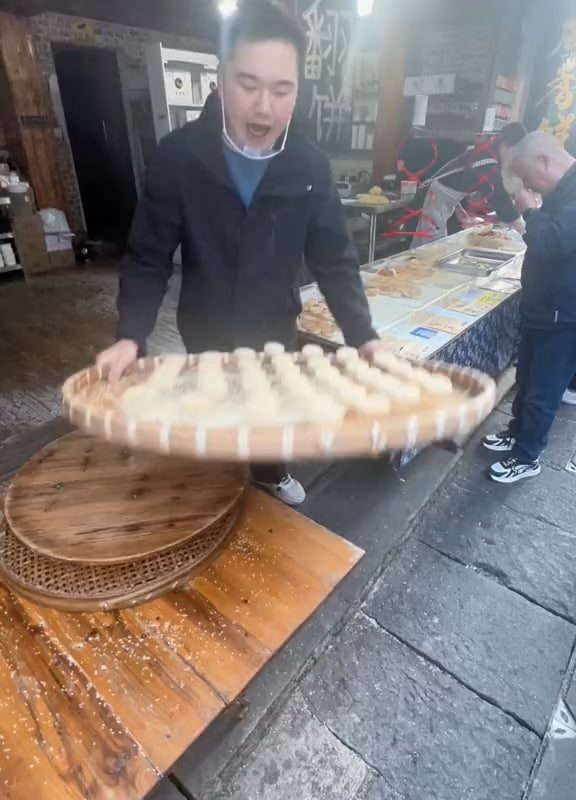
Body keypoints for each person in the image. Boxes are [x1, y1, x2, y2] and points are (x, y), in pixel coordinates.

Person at [96, 0, 383, 506]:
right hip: (205, 326)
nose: (264, 108)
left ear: (298, 89)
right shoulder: (180, 157)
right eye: (248, 85)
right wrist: (131, 335)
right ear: (222, 77)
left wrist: (364, 336)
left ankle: (270, 473)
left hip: (275, 326)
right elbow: (148, 257)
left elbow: (335, 260)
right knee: (217, 415)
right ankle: (216, 481)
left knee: (269, 410)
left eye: (282, 89)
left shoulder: (310, 166)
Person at [483, 131, 576, 483]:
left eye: (526, 176)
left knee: (544, 388)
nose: (527, 185)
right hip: (542, 306)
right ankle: (517, 432)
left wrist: (525, 208)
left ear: (544, 162)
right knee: (527, 378)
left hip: (563, 312)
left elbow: (551, 242)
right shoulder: (560, 189)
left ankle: (527, 455)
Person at [411, 123, 527, 247]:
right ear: (504, 145)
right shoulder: (487, 161)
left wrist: (458, 209)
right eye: (514, 154)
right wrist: (521, 227)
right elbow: (499, 197)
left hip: (440, 197)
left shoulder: (487, 153)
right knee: (432, 245)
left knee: (423, 243)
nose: (512, 159)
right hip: (435, 197)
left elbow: (455, 181)